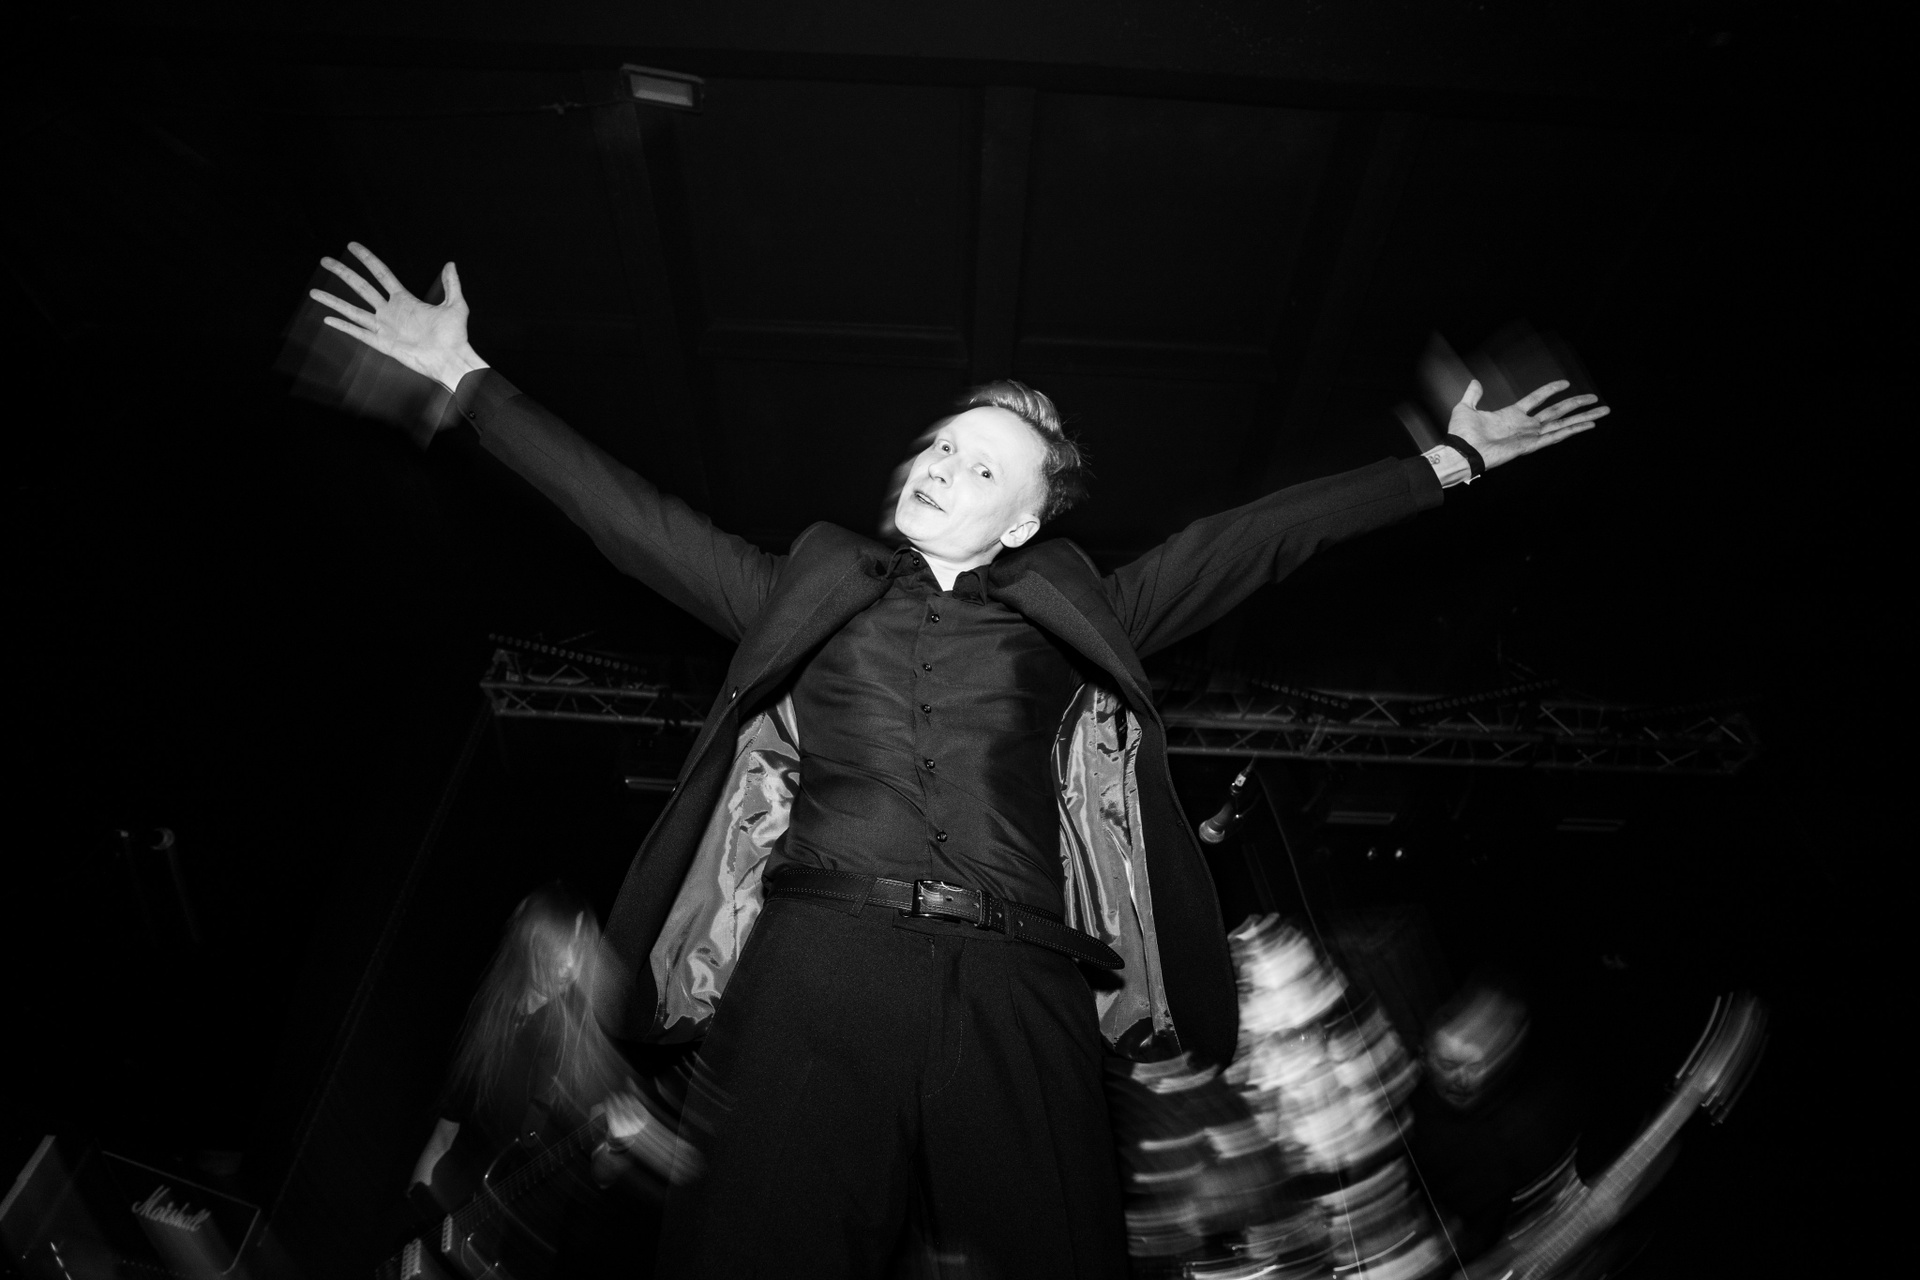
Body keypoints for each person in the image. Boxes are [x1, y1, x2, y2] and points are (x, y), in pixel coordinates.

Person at [311, 242, 1607, 1279]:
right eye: (936, 445)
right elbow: (628, 515)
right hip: (820, 962)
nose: (941, 464)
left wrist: (1450, 461)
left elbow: (1252, 539)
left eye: (981, 463)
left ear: (1024, 520)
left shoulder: (1074, 612)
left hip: (1021, 977)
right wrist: (465, 379)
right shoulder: (808, 585)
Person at [409, 884, 681, 1278]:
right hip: (449, 1224)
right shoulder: (489, 1022)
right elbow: (443, 1137)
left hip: (513, 1252)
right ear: (531, 941)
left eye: (578, 949)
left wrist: (619, 1144)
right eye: (561, 945)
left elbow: (602, 1173)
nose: (569, 965)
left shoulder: (578, 1048)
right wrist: (412, 1223)